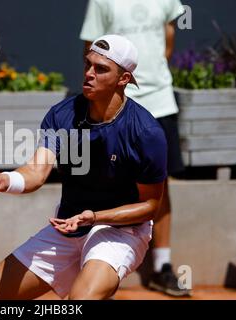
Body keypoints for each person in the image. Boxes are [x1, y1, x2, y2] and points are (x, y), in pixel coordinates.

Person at [0, 34, 168, 300]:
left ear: (124, 79)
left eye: (101, 69)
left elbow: (151, 206)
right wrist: (7, 180)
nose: (89, 74)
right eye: (88, 65)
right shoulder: (62, 115)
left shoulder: (146, 132)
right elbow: (36, 173)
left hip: (121, 232)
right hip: (67, 225)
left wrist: (95, 217)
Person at [79, 0, 191, 297]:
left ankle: (162, 268)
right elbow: (92, 50)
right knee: (105, 177)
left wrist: (150, 79)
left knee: (161, 184)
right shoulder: (101, 2)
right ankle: (99, 268)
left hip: (160, 100)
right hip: (116, 104)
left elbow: (168, 40)